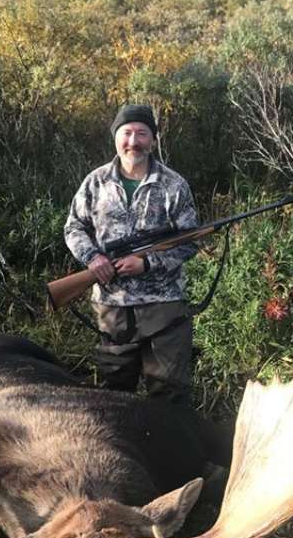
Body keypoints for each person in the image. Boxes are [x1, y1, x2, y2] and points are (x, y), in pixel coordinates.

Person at [64, 104, 198, 405]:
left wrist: (148, 263)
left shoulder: (173, 185)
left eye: (141, 133)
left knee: (169, 394)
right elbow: (74, 227)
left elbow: (190, 241)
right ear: (115, 137)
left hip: (165, 307)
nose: (133, 141)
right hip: (113, 308)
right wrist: (93, 259)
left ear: (153, 140)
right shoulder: (95, 182)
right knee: (114, 394)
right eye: (126, 133)